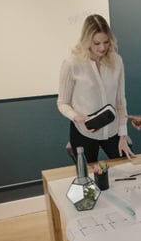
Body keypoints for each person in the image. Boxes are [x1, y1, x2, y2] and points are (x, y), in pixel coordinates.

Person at [57, 14, 134, 163]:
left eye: (106, 42)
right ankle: (91, 187)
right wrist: (75, 116)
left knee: (128, 169)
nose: (103, 47)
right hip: (83, 131)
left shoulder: (117, 61)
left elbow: (120, 101)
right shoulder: (72, 63)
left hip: (113, 130)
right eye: (96, 43)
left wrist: (123, 134)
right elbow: (62, 102)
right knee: (88, 182)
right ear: (87, 41)